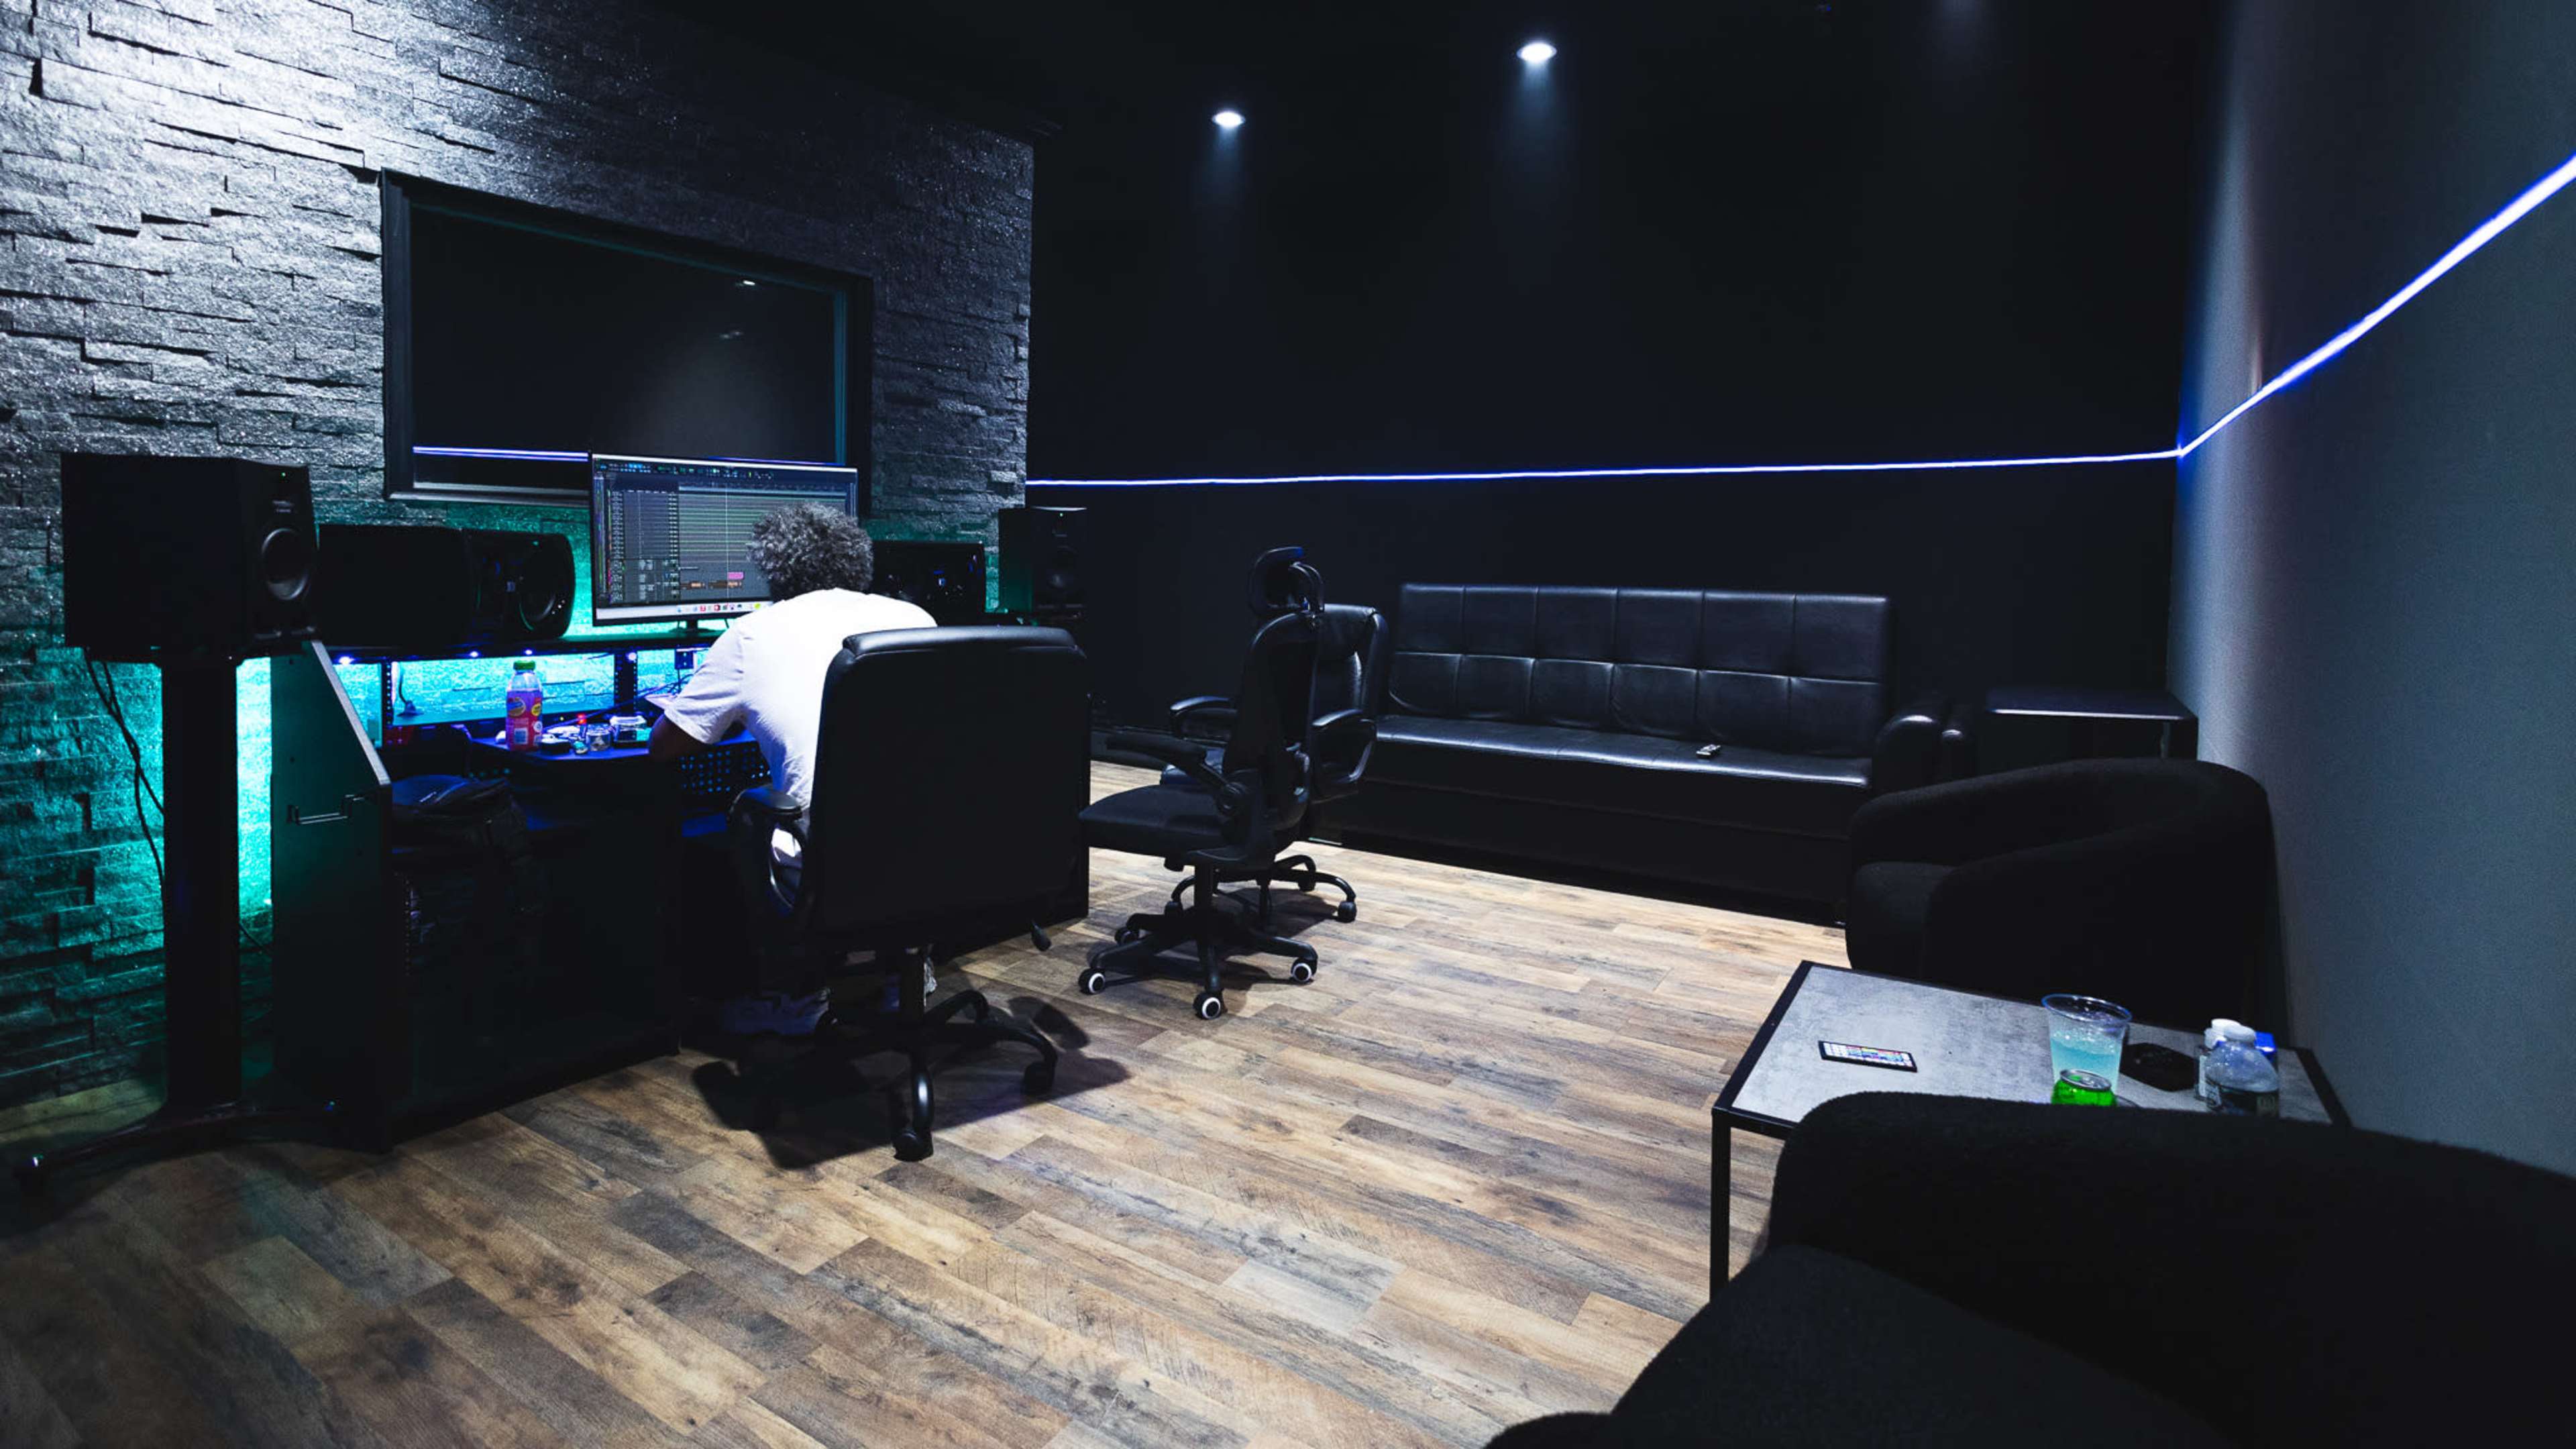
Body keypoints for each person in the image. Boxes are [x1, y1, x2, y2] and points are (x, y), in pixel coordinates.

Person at [650, 503, 936, 1034]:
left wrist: (743, 717)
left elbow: (665, 746)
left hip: (833, 860)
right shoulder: (915, 619)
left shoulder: (752, 635)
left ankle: (796, 997)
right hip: (931, 845)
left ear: (775, 569)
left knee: (748, 812)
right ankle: (906, 976)